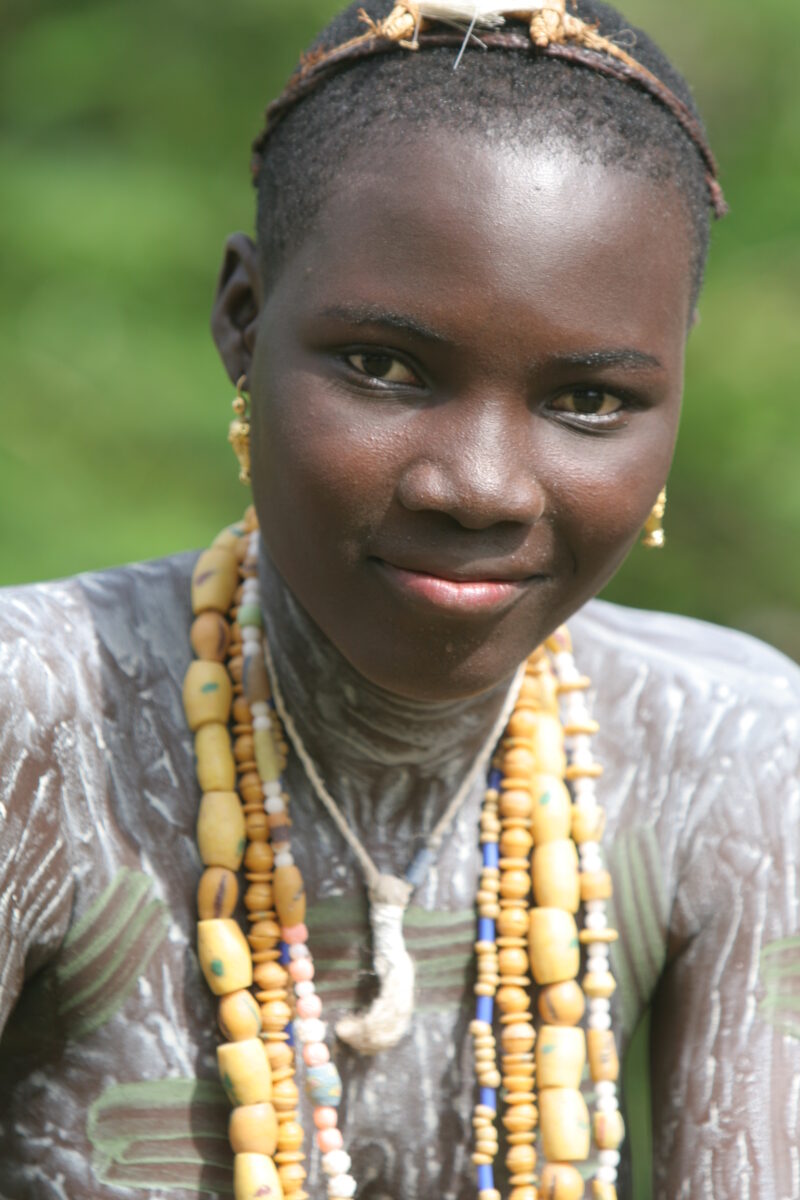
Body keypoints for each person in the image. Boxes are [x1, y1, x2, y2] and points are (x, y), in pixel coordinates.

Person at [0, 2, 797, 1198]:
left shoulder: (728, 748)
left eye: (587, 400)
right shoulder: (39, 721)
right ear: (242, 320)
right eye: (383, 367)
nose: (478, 487)